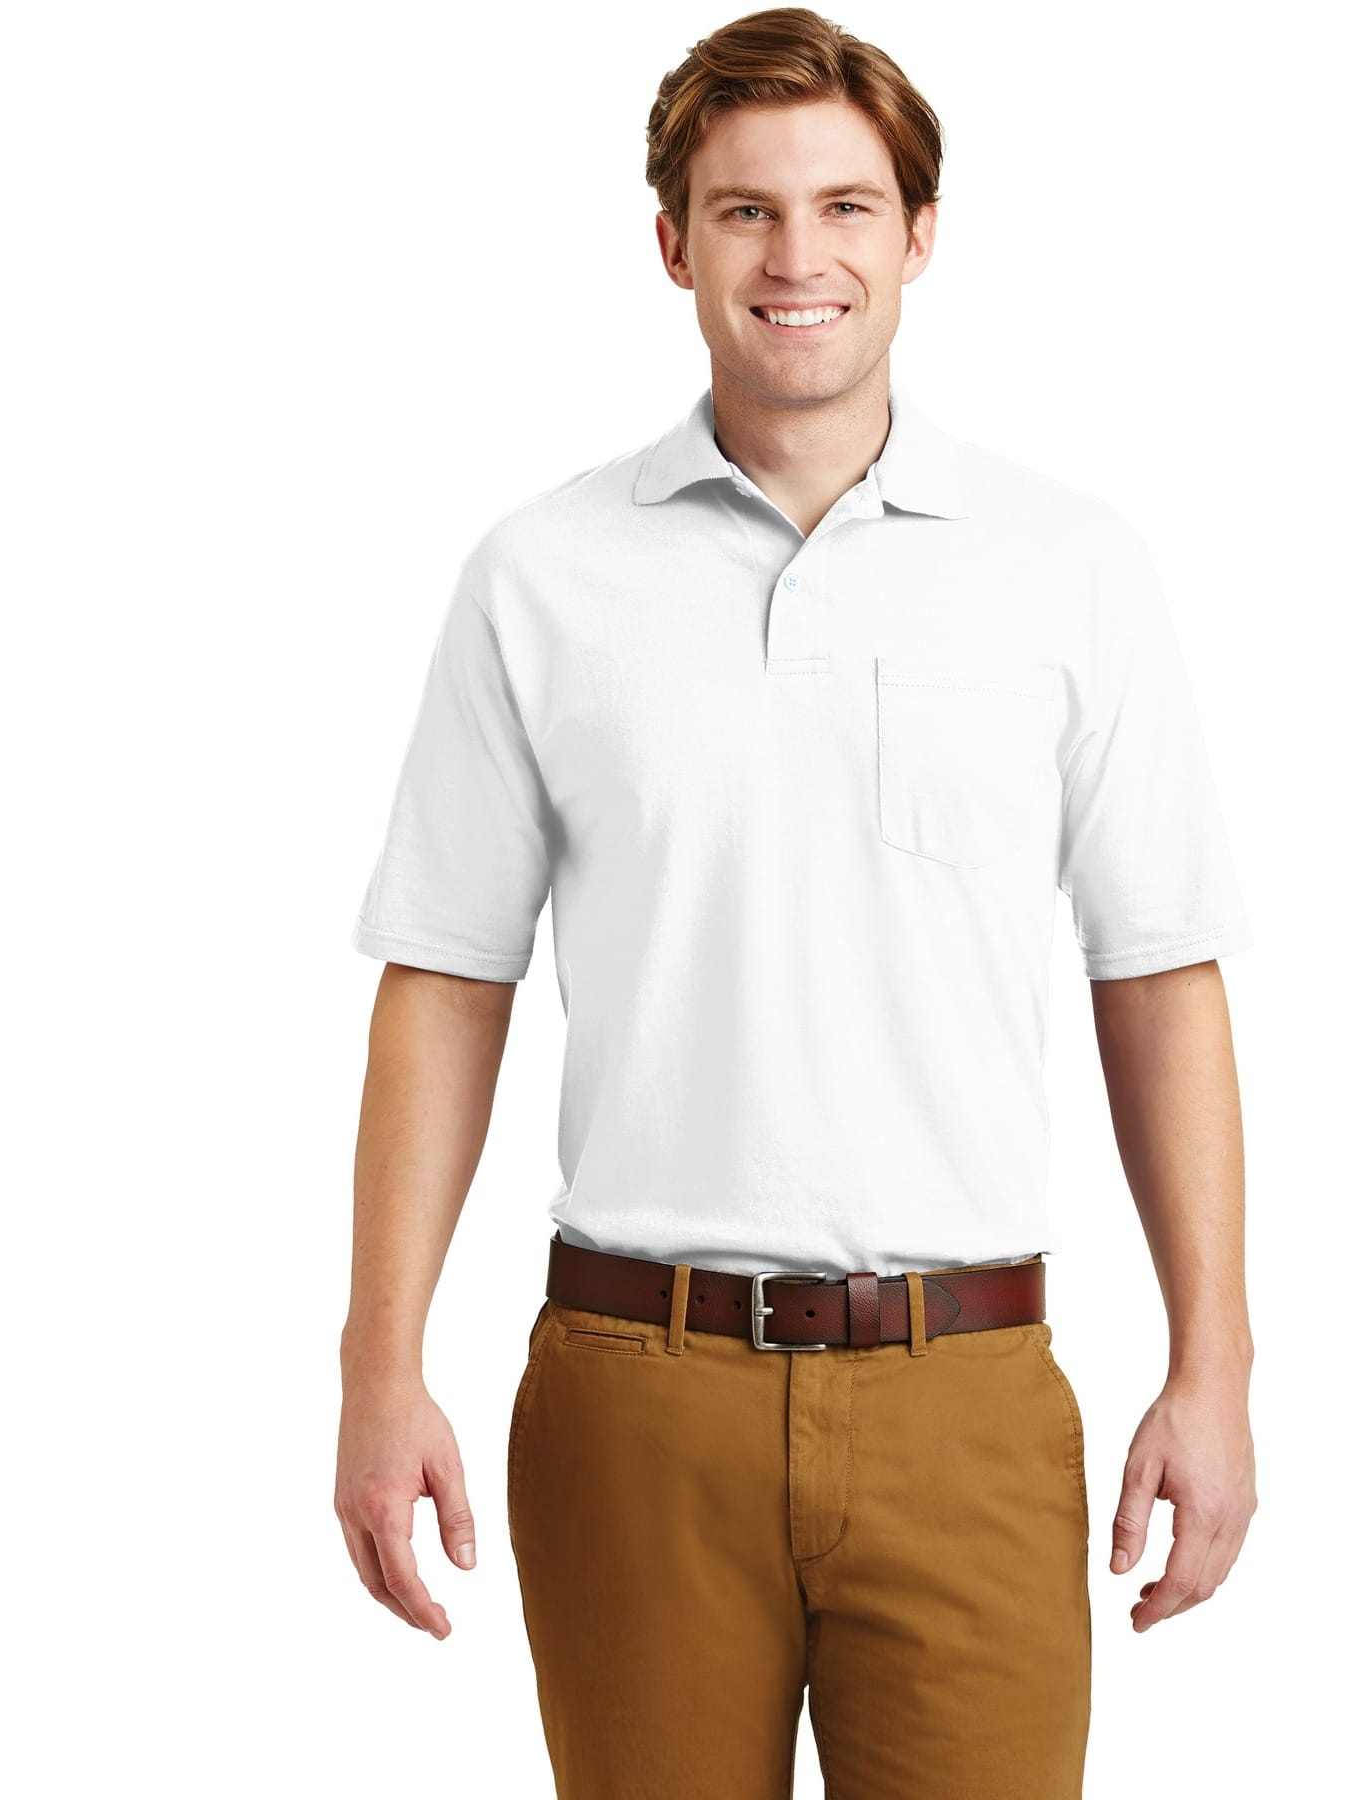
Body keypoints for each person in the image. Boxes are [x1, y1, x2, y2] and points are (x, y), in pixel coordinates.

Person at [335, 8, 1257, 1795]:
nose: (796, 256)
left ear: (922, 235)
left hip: (965, 1390)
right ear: (672, 243)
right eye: (744, 210)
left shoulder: (1069, 569)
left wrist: (1213, 1367)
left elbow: (1160, 976)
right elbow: (444, 980)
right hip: (636, 1390)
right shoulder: (541, 576)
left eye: (846, 206)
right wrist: (381, 1369)